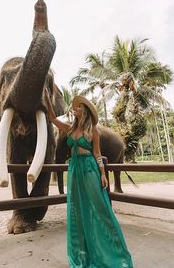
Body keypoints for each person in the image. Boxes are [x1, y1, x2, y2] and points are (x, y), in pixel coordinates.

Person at [46, 93, 133, 268]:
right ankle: (82, 253)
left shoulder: (93, 130)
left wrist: (102, 173)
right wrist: (47, 98)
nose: (75, 108)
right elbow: (53, 118)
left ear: (84, 111)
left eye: (79, 107)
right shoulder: (70, 129)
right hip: (75, 170)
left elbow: (97, 154)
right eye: (75, 106)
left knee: (100, 208)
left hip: (89, 168)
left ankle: (114, 250)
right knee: (77, 209)